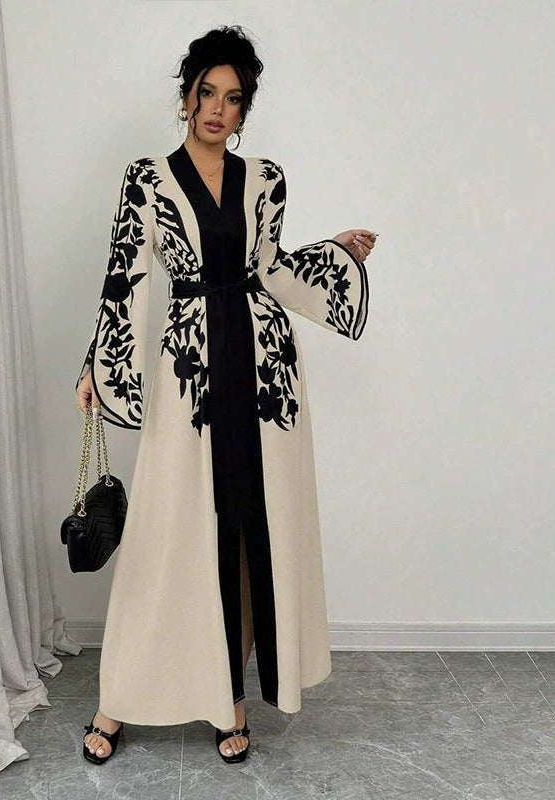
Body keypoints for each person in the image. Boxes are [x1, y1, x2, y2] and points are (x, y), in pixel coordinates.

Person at [74, 25, 377, 765]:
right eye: (206, 93)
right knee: (167, 534)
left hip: (264, 373)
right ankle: (117, 699)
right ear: (186, 97)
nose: (216, 109)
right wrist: (98, 366)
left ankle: (228, 700)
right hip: (192, 376)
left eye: (232, 98)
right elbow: (124, 276)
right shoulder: (147, 178)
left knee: (247, 534)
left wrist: (335, 254)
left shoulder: (265, 179)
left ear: (245, 110)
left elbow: (269, 269)